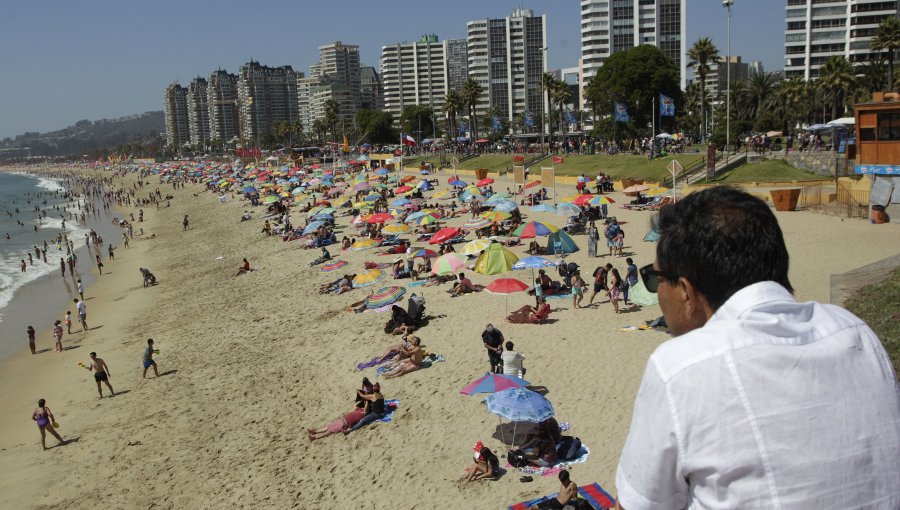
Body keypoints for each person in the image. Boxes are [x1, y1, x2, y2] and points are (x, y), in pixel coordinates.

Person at [615, 187, 900, 509]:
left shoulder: (681, 366)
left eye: (654, 278)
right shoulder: (854, 331)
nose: (655, 288)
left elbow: (636, 504)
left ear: (684, 291)